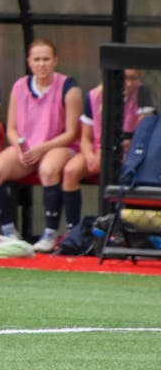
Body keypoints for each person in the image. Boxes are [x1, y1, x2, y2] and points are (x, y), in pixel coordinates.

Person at [0, 38, 82, 246]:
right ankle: (9, 231)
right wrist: (19, 148)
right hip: (27, 146)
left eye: (46, 59)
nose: (41, 64)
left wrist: (42, 148)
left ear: (55, 61)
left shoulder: (69, 87)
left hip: (59, 145)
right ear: (29, 61)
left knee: (48, 169)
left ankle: (50, 233)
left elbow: (72, 133)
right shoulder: (19, 86)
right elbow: (11, 127)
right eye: (37, 59)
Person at [57, 69, 154, 252]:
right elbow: (86, 138)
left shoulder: (143, 93)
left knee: (125, 173)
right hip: (99, 150)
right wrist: (90, 156)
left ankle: (122, 233)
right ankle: (73, 230)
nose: (130, 83)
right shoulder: (94, 96)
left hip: (130, 153)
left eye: (134, 79)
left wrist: (118, 148)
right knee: (71, 171)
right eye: (125, 78)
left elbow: (143, 133)